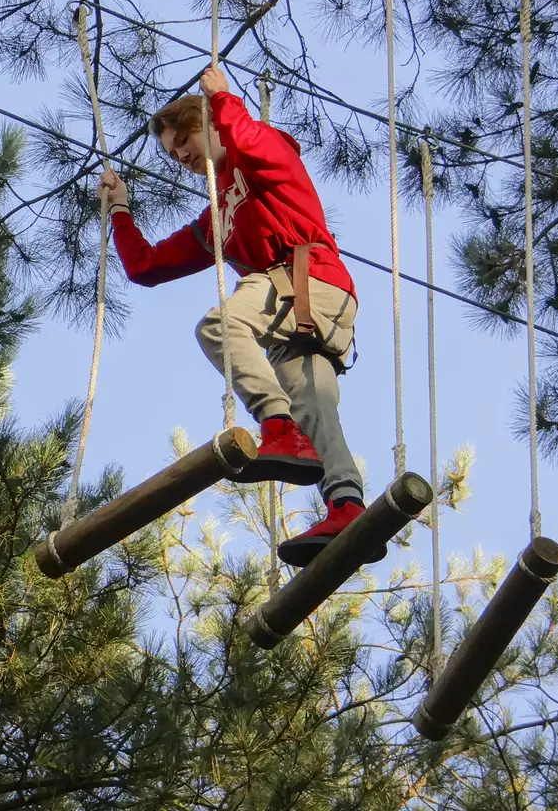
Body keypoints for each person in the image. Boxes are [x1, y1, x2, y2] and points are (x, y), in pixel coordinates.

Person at [99, 66, 380, 568]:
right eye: (171, 151)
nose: (180, 154)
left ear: (208, 124)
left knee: (218, 324)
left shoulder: (264, 154)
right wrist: (120, 210)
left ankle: (277, 427)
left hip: (311, 282)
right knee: (315, 404)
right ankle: (347, 505)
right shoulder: (216, 219)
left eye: (184, 137)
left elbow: (252, 144)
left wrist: (224, 99)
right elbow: (146, 266)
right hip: (295, 313)